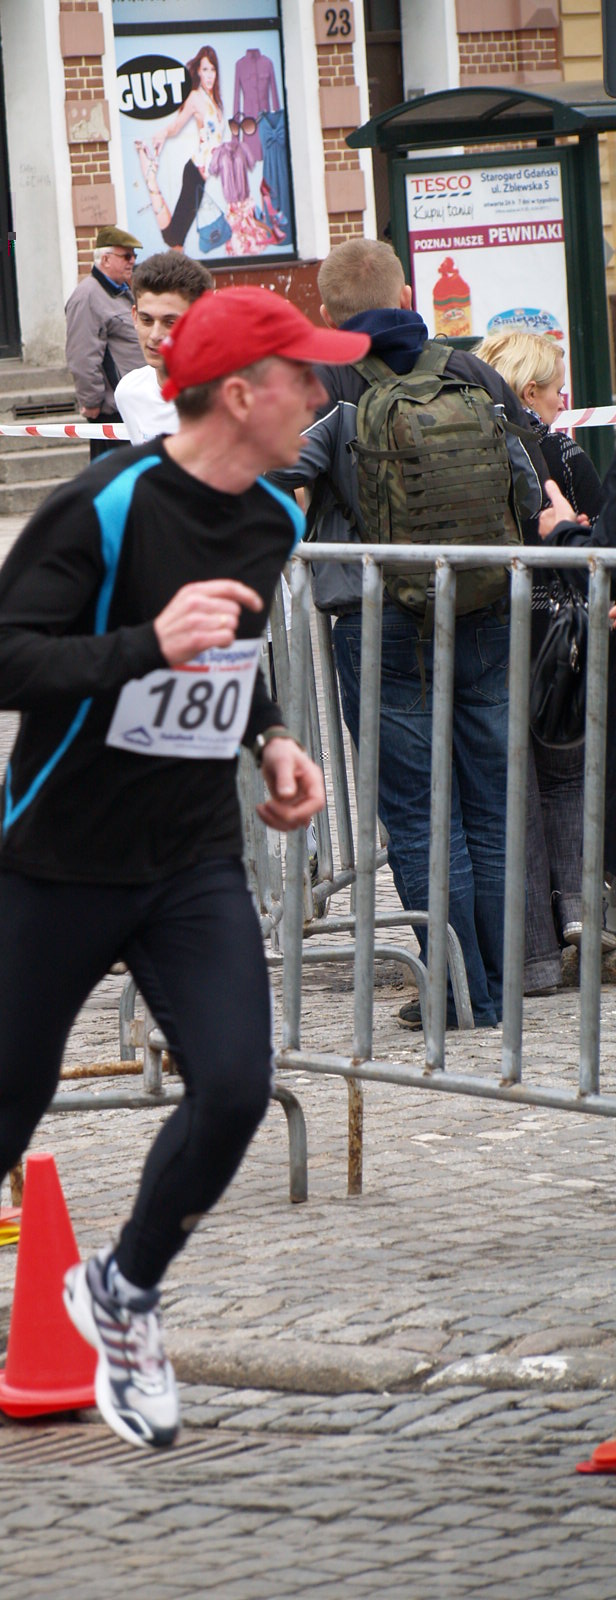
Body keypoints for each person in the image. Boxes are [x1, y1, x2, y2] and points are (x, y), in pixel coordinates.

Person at [0, 285, 368, 1525]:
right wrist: (145, 642)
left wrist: (272, 740)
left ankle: (123, 1291)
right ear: (240, 394)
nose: (321, 395)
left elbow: (228, 654)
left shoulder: (277, 512)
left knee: (237, 1086)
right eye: (303, 376)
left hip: (190, 859)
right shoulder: (105, 505)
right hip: (60, 863)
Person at [273, 239, 543, 1030]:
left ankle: (459, 993)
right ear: (407, 295)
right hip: (485, 607)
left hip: (378, 621)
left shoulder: (322, 383)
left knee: (423, 817)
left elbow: (279, 492)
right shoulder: (472, 372)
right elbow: (529, 489)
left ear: (326, 313)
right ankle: (501, 986)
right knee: (492, 806)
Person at [475, 330, 613, 982]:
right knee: (568, 776)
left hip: (488, 628)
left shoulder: (474, 449)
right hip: (564, 634)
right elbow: (600, 525)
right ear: (529, 389)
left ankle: (532, 957)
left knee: (514, 792)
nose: (563, 398)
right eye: (556, 387)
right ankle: (584, 918)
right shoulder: (558, 449)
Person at [64, 226, 144, 460]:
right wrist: (92, 402)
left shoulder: (120, 291)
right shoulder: (88, 296)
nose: (132, 261)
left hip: (134, 405)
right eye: (126, 256)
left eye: (134, 256)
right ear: (106, 259)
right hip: (113, 411)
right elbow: (83, 356)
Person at [114, 252, 211, 444]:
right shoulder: (128, 392)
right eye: (146, 320)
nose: (155, 335)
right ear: (134, 316)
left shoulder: (226, 396)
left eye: (170, 322)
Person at [136, 46, 225, 252]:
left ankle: (150, 176)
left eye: (212, 70)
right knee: (175, 239)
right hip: (194, 173)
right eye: (205, 70)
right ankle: (150, 178)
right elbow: (176, 126)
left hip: (202, 177)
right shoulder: (196, 97)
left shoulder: (215, 102)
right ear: (198, 72)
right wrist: (163, 133)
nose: (209, 75)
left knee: (177, 240)